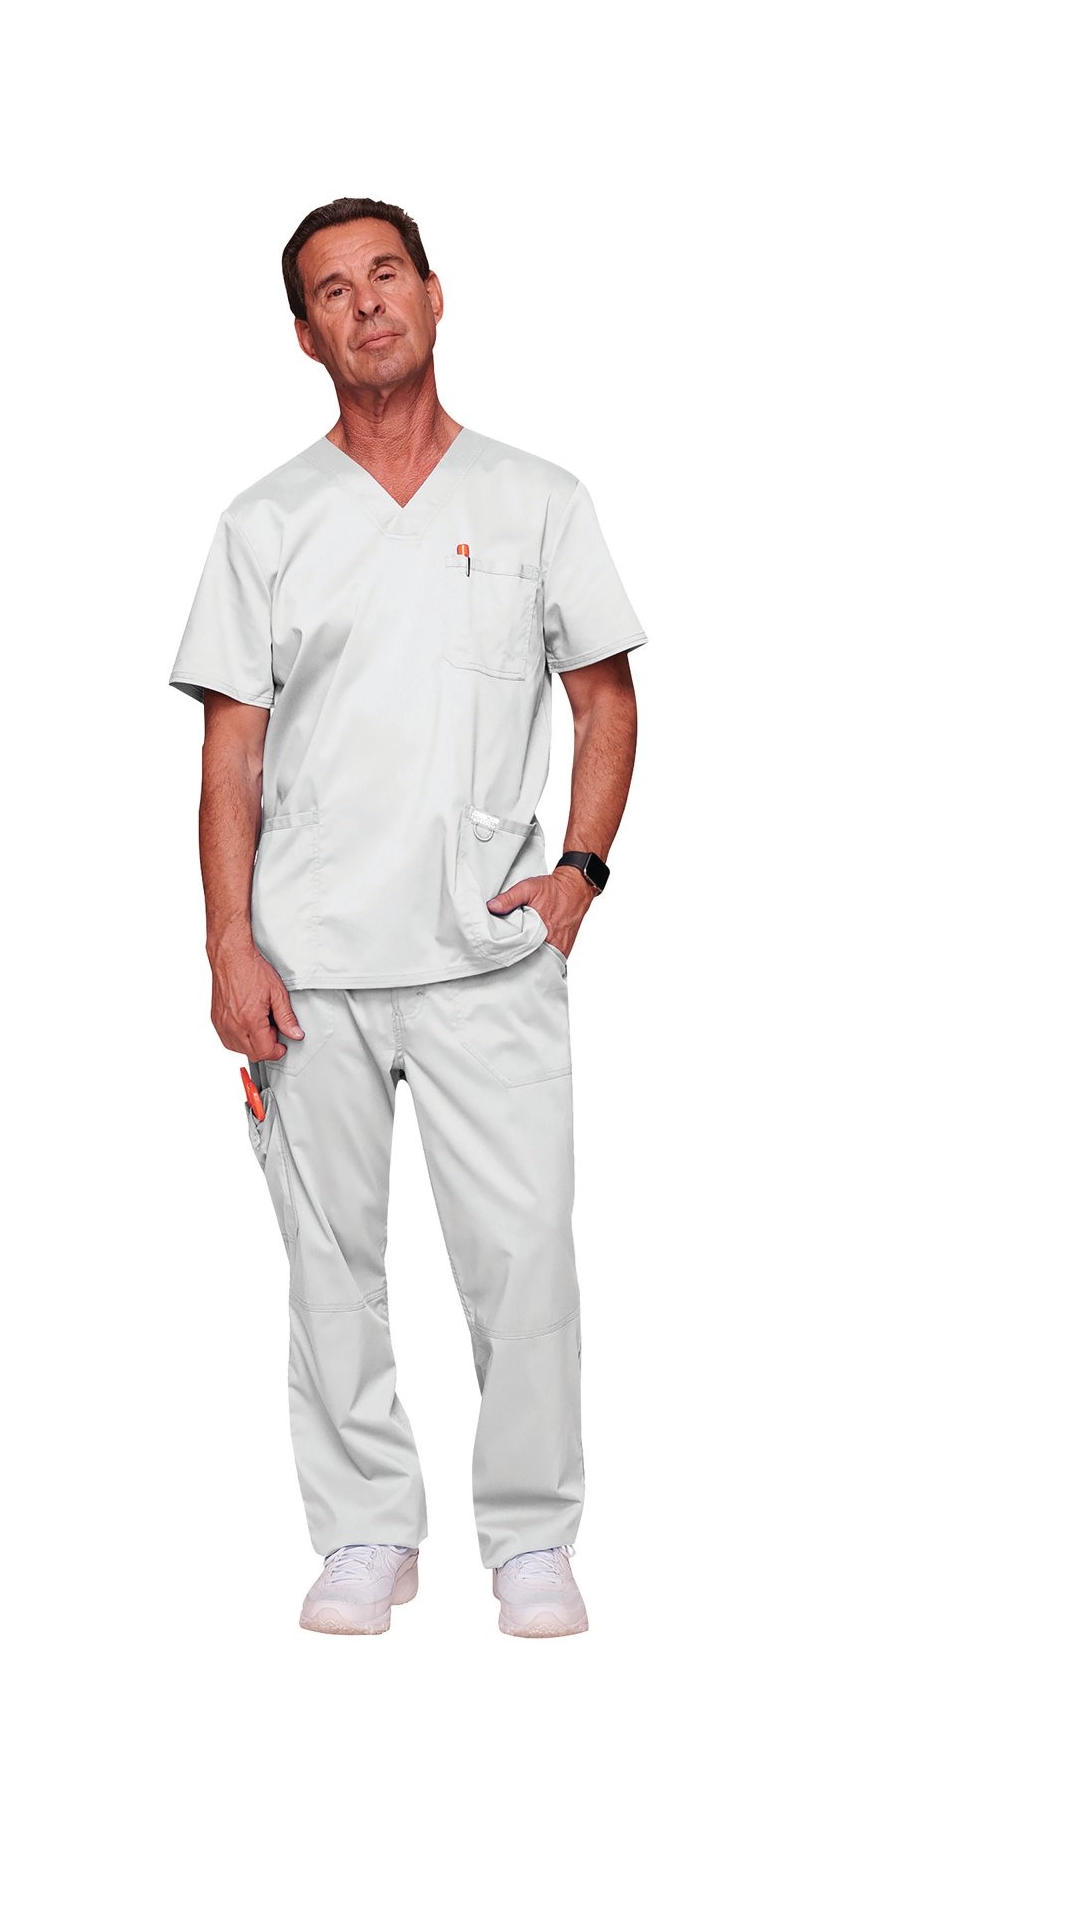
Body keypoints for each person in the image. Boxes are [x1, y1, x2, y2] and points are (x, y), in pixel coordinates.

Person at [167, 197, 644, 1638]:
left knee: (526, 1258)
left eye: (386, 275)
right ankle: (367, 1529)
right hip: (307, 960)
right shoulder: (266, 523)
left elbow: (604, 695)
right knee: (330, 1269)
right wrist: (228, 945)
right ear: (304, 334)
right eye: (333, 289)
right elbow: (230, 754)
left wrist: (580, 872)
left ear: (436, 297)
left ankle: (532, 1537)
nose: (366, 302)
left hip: (489, 951)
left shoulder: (536, 500)